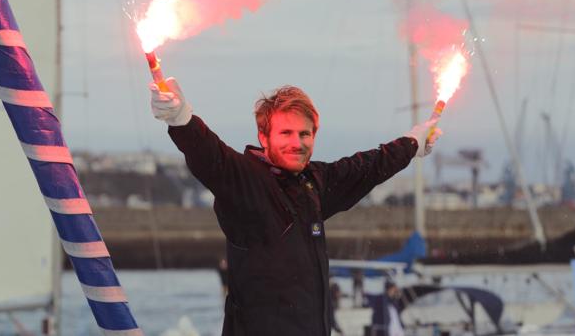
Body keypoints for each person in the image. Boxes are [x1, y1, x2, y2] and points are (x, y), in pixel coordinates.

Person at [150, 79, 441, 336]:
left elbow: (368, 166)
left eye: (305, 134)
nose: (297, 143)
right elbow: (208, 153)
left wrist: (413, 144)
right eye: (286, 133)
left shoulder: (314, 183)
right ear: (264, 138)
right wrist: (181, 118)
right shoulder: (243, 183)